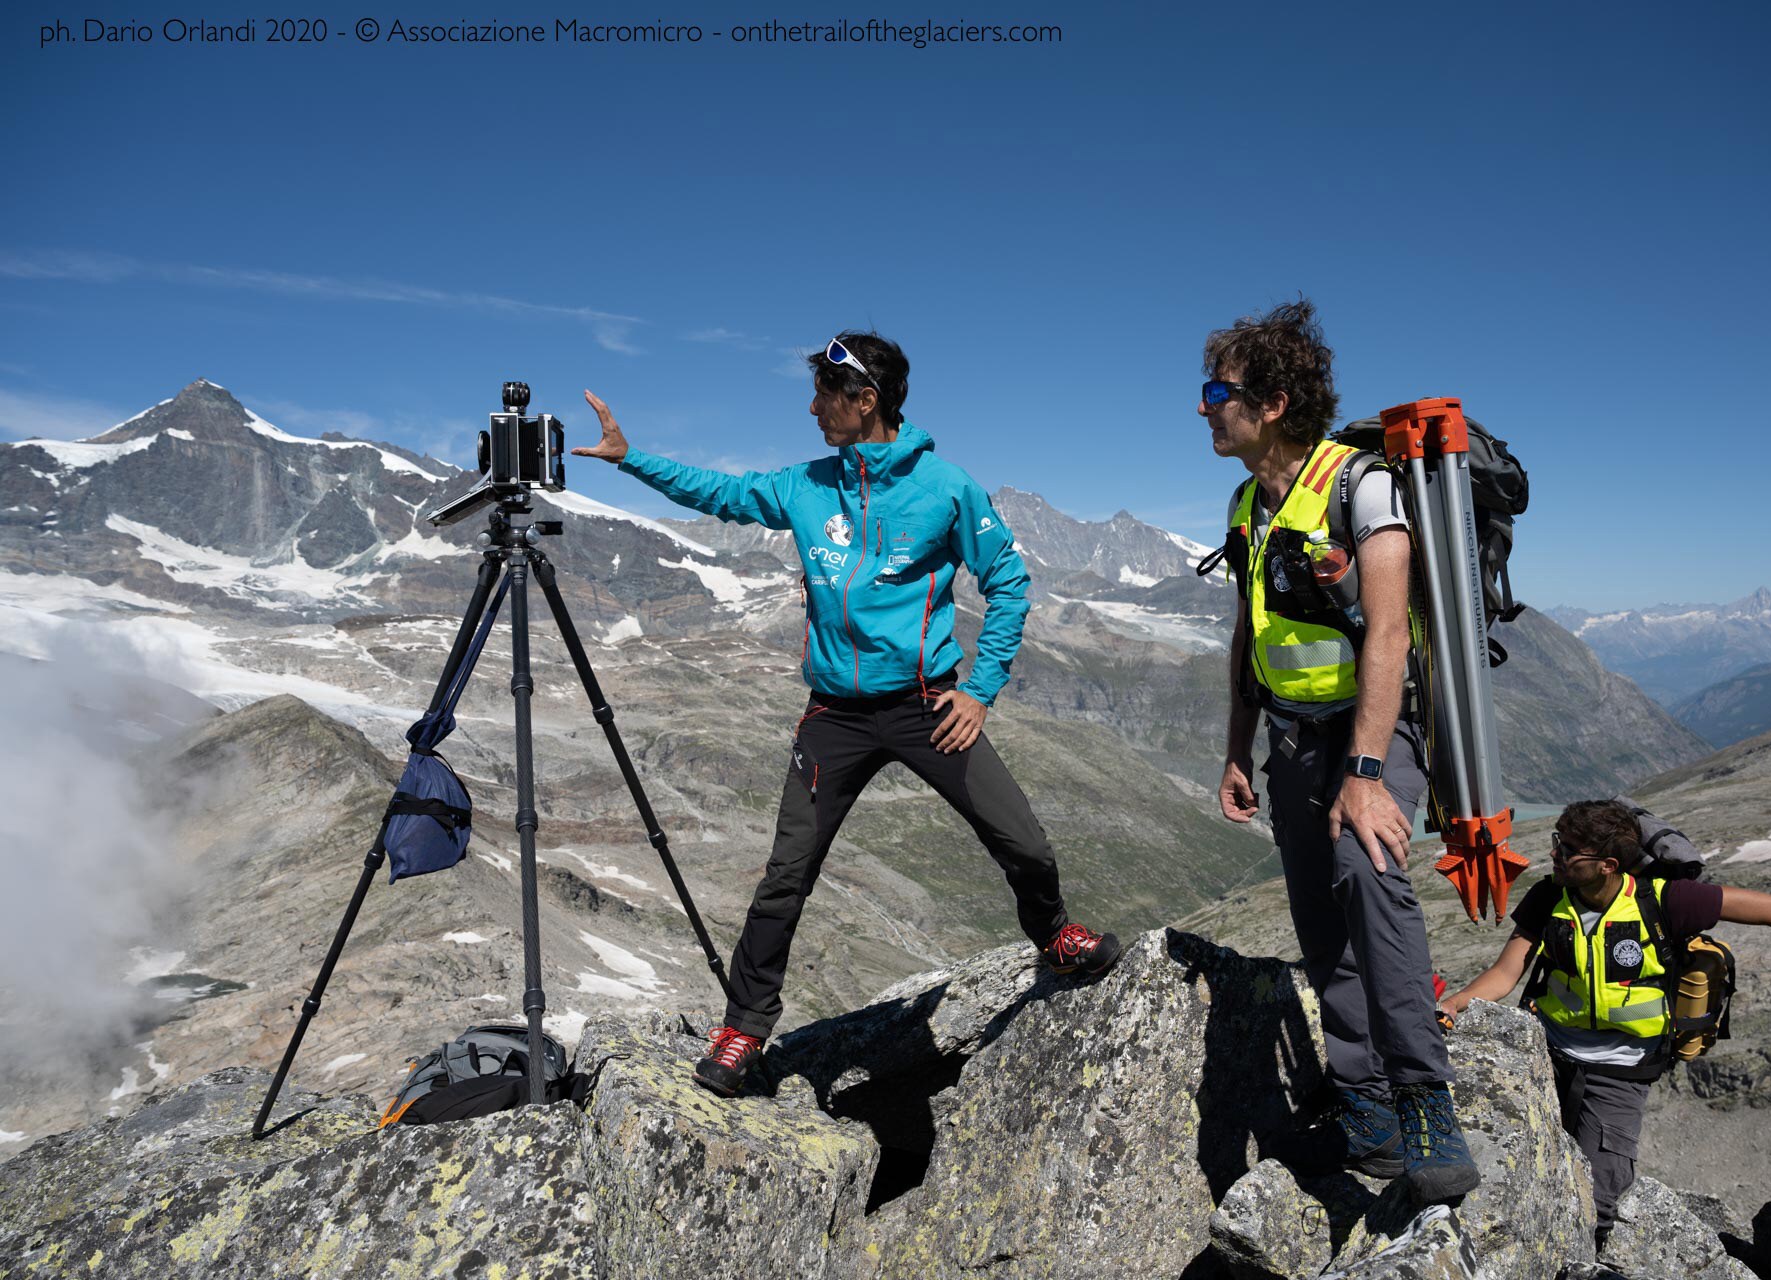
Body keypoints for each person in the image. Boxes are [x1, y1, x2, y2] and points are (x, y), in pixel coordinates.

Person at [572, 330, 1119, 1097]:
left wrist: (980, 688)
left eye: (826, 398)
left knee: (1023, 842)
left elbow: (1009, 582)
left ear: (866, 401)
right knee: (786, 875)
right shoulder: (806, 484)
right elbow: (721, 495)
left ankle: (1055, 938)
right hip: (833, 715)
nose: (812, 409)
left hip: (928, 706)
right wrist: (630, 458)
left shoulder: (947, 488)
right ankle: (744, 1029)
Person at [1204, 300, 1479, 1203]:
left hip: (1372, 732)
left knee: (1369, 878)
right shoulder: (1248, 500)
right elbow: (1252, 634)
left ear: (1274, 402)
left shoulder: (1360, 485)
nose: (1204, 408)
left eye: (1219, 392)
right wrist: (1238, 748)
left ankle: (1423, 1097)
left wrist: (1364, 775)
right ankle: (1364, 1110)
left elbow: (1390, 631)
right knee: (1320, 920)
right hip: (1287, 736)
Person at [1439, 799, 1771, 1244]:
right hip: (1546, 1056)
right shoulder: (1549, 896)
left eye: (1567, 850)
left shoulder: (1666, 900)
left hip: (1621, 1072)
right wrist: (1454, 1004)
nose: (1555, 856)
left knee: (1598, 1202)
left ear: (1608, 865)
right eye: (1557, 843)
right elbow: (1506, 972)